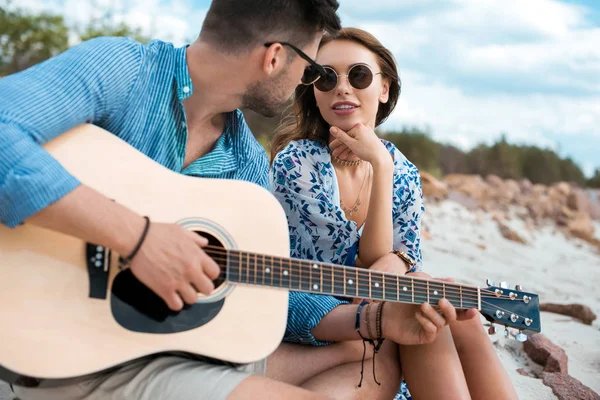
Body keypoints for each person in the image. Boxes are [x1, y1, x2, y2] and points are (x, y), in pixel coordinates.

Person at [0, 1, 345, 399]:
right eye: (311, 70)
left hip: (161, 351)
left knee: (369, 360)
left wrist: (366, 318)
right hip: (48, 344)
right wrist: (138, 238)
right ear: (274, 57)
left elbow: (258, 281)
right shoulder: (125, 69)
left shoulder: (247, 162)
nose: (306, 82)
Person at [268, 28, 518, 399]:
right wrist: (380, 168)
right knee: (423, 307)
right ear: (313, 90)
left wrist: (399, 262)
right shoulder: (298, 163)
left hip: (382, 311)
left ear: (384, 89)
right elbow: (366, 270)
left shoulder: (405, 170)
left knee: (451, 316)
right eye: (326, 76)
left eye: (359, 75)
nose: (342, 87)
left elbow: (403, 257)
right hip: (320, 316)